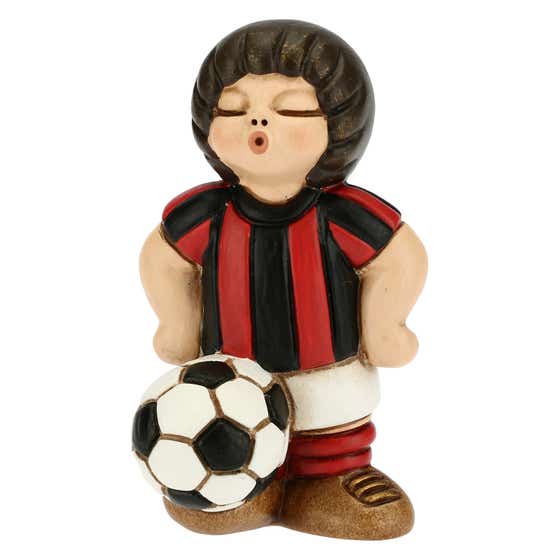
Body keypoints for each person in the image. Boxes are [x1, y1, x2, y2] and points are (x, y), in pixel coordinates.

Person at [140, 19, 427, 540]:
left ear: (340, 127)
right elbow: (162, 257)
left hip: (326, 366)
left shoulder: (341, 215)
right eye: (235, 109)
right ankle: (239, 484)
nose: (258, 122)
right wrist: (177, 324)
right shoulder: (205, 214)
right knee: (230, 424)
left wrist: (385, 327)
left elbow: (398, 256)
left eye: (290, 110)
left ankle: (332, 480)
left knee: (328, 425)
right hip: (230, 373)